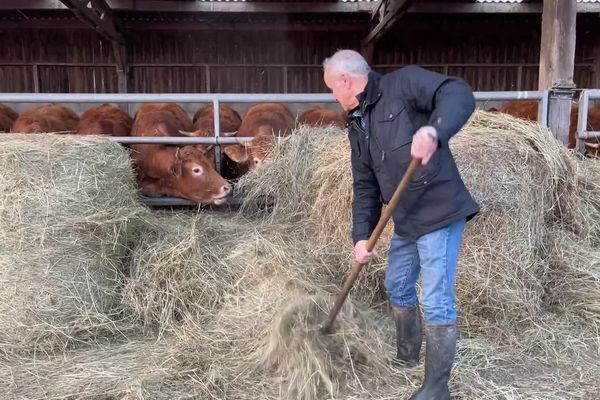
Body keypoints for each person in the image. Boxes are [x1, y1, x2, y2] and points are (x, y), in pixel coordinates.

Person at [322, 49, 479, 400]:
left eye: (332, 87)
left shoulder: (403, 85)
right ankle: (407, 355)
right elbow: (364, 185)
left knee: (436, 301)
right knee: (397, 285)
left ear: (345, 80)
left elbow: (458, 93)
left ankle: (437, 388)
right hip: (405, 219)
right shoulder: (357, 124)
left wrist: (435, 131)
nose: (332, 95)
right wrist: (361, 237)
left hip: (438, 212)